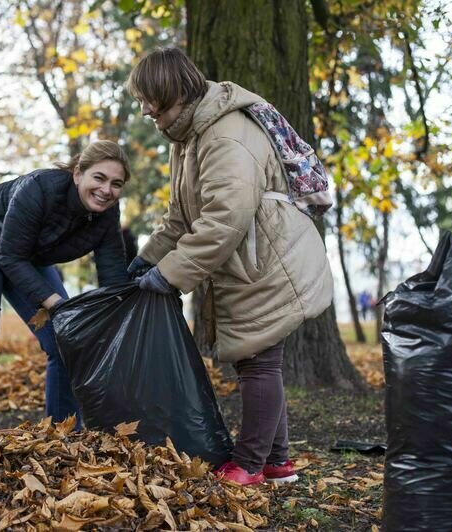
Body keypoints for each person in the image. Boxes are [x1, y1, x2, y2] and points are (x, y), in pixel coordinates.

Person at [126, 48, 333, 486]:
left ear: (174, 92)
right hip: (249, 260)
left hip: (267, 260)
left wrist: (170, 275)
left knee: (259, 362)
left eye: (150, 100)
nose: (145, 110)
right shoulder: (189, 139)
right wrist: (147, 257)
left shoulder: (223, 135)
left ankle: (251, 464)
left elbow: (225, 219)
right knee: (256, 362)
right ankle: (276, 462)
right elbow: (182, 218)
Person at [0, 140, 131, 434]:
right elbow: (10, 256)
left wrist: (122, 318)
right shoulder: (40, 187)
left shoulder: (106, 214)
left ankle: (61, 433)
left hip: (25, 255)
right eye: (99, 177)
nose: (106, 190)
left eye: (116, 183)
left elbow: (113, 276)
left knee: (66, 339)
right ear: (78, 173)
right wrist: (55, 303)